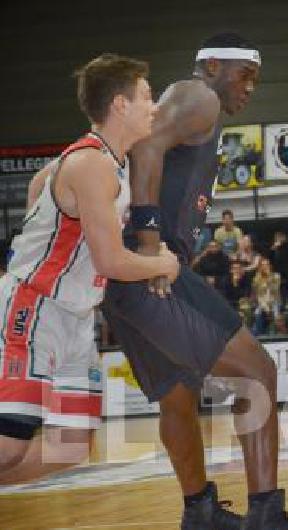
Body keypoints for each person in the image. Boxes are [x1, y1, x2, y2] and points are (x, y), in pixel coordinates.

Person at [99, 34, 288, 529]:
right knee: (257, 373)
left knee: (177, 394)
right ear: (211, 65)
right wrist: (150, 237)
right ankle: (265, 516)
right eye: (244, 74)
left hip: (121, 280)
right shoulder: (199, 95)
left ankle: (201, 513)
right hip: (151, 266)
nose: (250, 87)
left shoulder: (201, 109)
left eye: (255, 78)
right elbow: (146, 141)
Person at [0, 54, 179, 484]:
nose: (153, 107)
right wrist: (163, 263)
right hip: (37, 306)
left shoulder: (100, 161)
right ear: (120, 105)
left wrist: (41, 230)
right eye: (146, 97)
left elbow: (39, 184)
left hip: (76, 317)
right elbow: (111, 261)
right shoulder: (92, 163)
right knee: (8, 444)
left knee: (73, 443)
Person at [251, 258, 282, 336]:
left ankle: (276, 334)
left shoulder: (276, 276)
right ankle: (259, 335)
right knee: (257, 312)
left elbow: (275, 290)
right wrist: (265, 306)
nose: (265, 267)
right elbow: (259, 295)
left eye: (267, 265)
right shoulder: (257, 279)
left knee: (276, 314)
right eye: (263, 265)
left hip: (275, 300)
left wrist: (269, 278)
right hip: (262, 302)